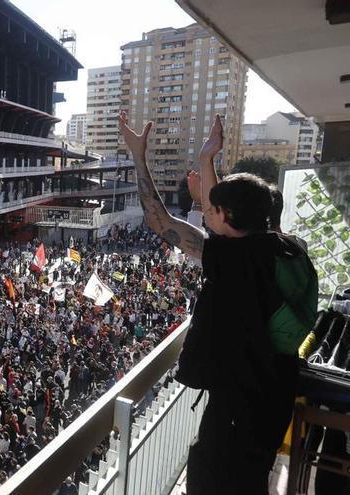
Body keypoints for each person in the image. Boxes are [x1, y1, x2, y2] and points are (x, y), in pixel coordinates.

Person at [118, 111, 317, 494]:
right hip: (277, 395)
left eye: (212, 209)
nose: (206, 213)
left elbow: (158, 220)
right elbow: (235, 217)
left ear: (227, 216)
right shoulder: (290, 247)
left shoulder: (234, 260)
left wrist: (139, 157)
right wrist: (207, 160)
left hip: (237, 413)